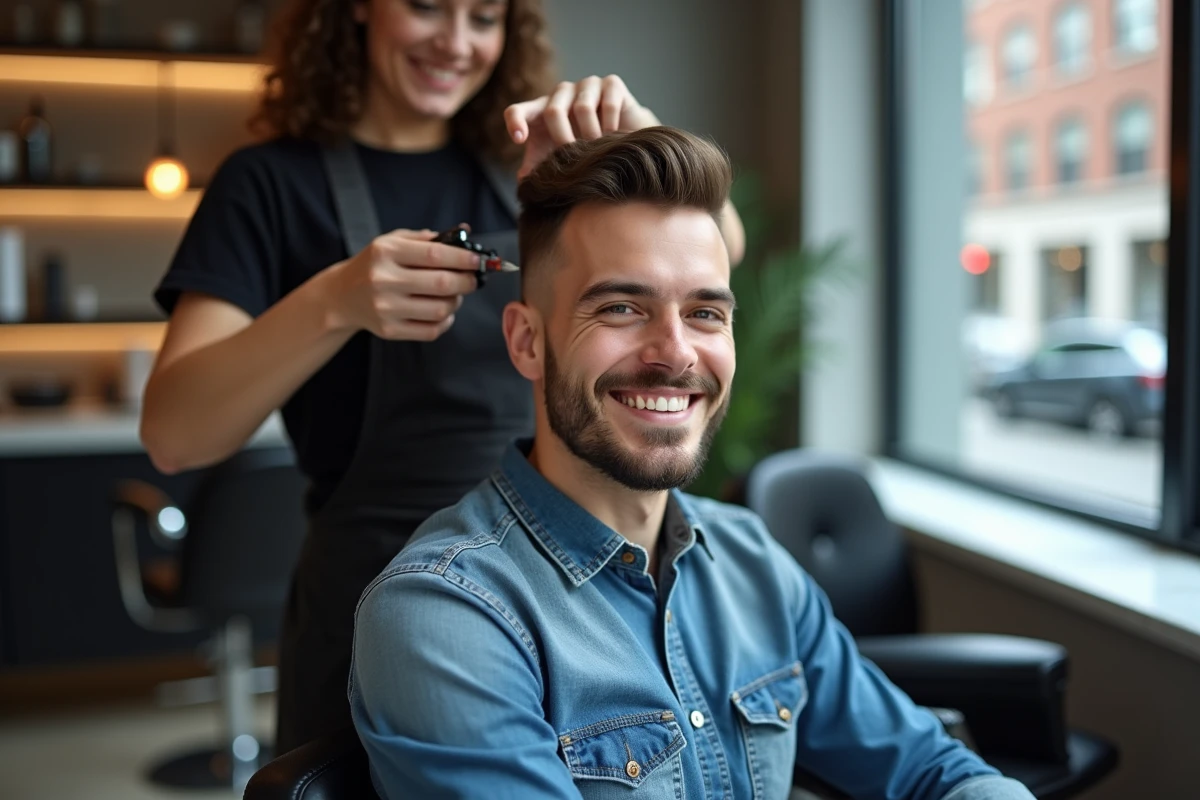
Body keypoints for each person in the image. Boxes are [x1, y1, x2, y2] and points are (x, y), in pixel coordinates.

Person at [349, 127, 1036, 800]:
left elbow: (928, 768)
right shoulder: (446, 615)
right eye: (621, 307)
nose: (675, 354)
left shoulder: (753, 562)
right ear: (528, 342)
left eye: (706, 313)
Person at [139, 0, 745, 754]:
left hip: (564, 595)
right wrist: (334, 301)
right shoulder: (267, 184)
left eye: (484, 18)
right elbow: (173, 431)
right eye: (427, 7)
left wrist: (646, 141)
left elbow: (723, 247)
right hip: (378, 609)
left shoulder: (521, 163)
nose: (455, 43)